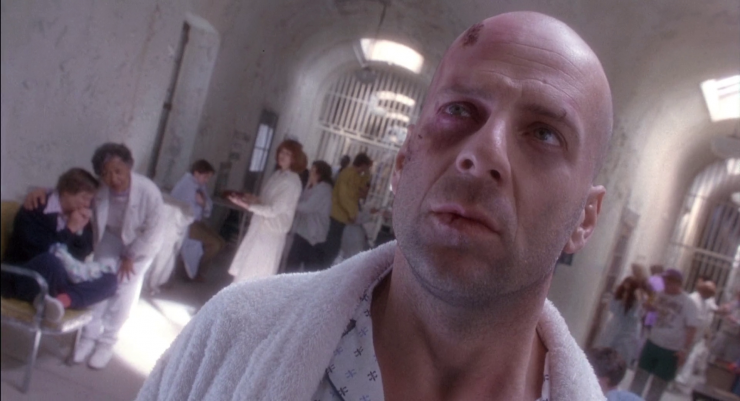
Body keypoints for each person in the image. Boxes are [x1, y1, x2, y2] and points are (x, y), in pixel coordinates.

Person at [137, 11, 613, 400]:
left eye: (545, 134)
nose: (483, 152)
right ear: (403, 163)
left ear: (586, 219)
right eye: (459, 110)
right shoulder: (231, 333)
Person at [2, 168, 117, 322]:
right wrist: (69, 230)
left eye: (90, 200)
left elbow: (81, 255)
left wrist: (80, 231)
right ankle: (67, 297)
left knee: (110, 279)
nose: (87, 204)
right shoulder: (34, 208)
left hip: (60, 276)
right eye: (84, 198)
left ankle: (61, 301)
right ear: (66, 192)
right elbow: (38, 251)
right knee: (51, 262)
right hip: (27, 275)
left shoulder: (78, 215)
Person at [227, 139, 304, 282]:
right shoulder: (277, 175)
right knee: (243, 273)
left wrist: (246, 205)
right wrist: (252, 199)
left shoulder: (292, 182)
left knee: (254, 277)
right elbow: (266, 201)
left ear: (295, 159)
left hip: (269, 236)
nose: (282, 155)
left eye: (287, 154)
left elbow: (273, 210)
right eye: (281, 151)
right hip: (258, 229)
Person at [629, 268, 699, 401]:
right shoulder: (660, 295)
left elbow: (691, 328)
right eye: (664, 282)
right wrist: (649, 310)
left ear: (677, 284)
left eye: (668, 283)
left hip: (671, 349)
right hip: (653, 341)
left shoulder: (688, 303)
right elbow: (651, 315)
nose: (665, 286)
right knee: (640, 376)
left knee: (658, 383)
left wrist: (684, 350)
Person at [170, 159, 225, 282]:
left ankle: (196, 270)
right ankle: (193, 271)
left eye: (208, 178)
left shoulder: (199, 185)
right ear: (196, 173)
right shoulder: (186, 185)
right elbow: (188, 211)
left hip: (195, 222)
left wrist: (203, 204)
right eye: (205, 177)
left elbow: (208, 205)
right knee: (215, 245)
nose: (207, 180)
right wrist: (203, 205)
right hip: (186, 224)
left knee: (221, 243)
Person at [321, 152, 373, 268]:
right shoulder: (347, 174)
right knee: (332, 246)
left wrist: (368, 173)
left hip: (343, 216)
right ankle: (323, 268)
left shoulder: (354, 175)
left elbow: (362, 185)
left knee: (335, 246)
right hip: (338, 216)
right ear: (363, 165)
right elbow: (344, 196)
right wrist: (352, 213)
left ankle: (325, 267)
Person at [284, 160, 334, 273]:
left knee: (308, 268)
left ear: (319, 173)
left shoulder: (324, 189)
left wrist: (287, 204)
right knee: (292, 264)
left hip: (313, 236)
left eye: (313, 170)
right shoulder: (312, 186)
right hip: (302, 232)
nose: (310, 172)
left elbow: (307, 207)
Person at [598, 276, 644, 367]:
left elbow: (637, 315)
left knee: (619, 358)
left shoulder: (636, 304)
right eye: (624, 290)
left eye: (628, 291)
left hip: (627, 333)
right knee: (604, 354)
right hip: (613, 328)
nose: (625, 293)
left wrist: (638, 301)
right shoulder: (617, 299)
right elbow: (611, 308)